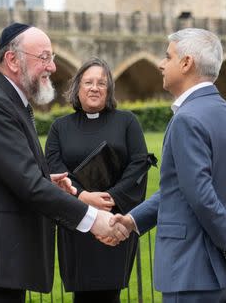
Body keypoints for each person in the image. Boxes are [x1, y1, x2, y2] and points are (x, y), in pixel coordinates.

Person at [0, 22, 129, 303]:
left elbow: (12, 175)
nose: (53, 67)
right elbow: (27, 183)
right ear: (13, 60)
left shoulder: (8, 101)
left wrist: (45, 181)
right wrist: (93, 220)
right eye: (44, 57)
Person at [111, 28, 226, 303]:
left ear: (186, 63)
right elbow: (182, 188)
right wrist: (132, 221)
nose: (161, 64)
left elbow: (201, 196)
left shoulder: (187, 119)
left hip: (193, 271)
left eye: (168, 57)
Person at [45, 57, 151, 303]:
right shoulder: (60, 127)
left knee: (109, 293)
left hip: (115, 220)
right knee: (82, 292)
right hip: (77, 220)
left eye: (101, 83)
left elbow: (139, 166)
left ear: (109, 89)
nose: (95, 88)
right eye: (88, 82)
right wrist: (82, 196)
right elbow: (53, 167)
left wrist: (112, 197)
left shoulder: (127, 122)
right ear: (77, 88)